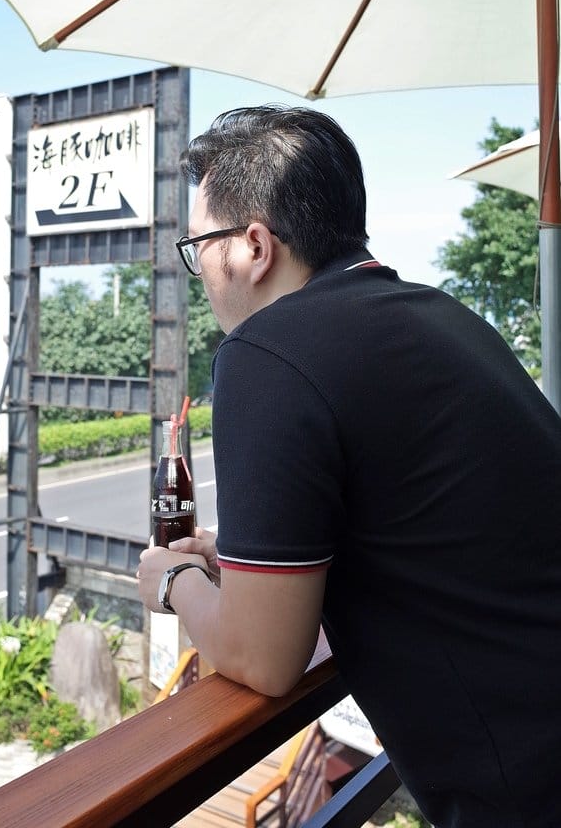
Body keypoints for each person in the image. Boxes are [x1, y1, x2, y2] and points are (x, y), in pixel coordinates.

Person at [137, 105, 561, 828]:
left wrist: (172, 580)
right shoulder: (443, 317)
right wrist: (252, 564)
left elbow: (265, 659)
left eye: (199, 246)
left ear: (252, 248)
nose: (202, 272)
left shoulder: (267, 353)